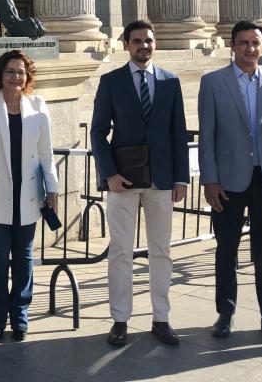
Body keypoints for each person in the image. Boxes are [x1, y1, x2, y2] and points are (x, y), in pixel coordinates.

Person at [198, 20, 262, 345]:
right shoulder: (213, 83)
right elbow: (207, 138)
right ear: (232, 45)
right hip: (228, 181)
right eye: (243, 43)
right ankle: (225, 313)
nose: (250, 49)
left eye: (255, 43)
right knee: (226, 250)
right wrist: (209, 180)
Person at [90, 20, 188, 347]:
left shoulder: (170, 83)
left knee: (161, 251)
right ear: (126, 45)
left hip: (162, 180)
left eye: (148, 41)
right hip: (123, 180)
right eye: (137, 41)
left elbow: (178, 133)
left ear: (154, 43)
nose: (143, 46)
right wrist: (109, 173)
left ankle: (162, 318)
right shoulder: (111, 82)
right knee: (120, 252)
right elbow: (98, 132)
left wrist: (180, 178)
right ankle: (120, 319)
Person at [0, 50, 59, 342]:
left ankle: (20, 316)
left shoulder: (38, 105)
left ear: (27, 76)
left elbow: (46, 153)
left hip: (28, 194)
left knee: (24, 259)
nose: (16, 77)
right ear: (0, 76)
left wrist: (52, 188)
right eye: (10, 72)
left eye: (21, 72)